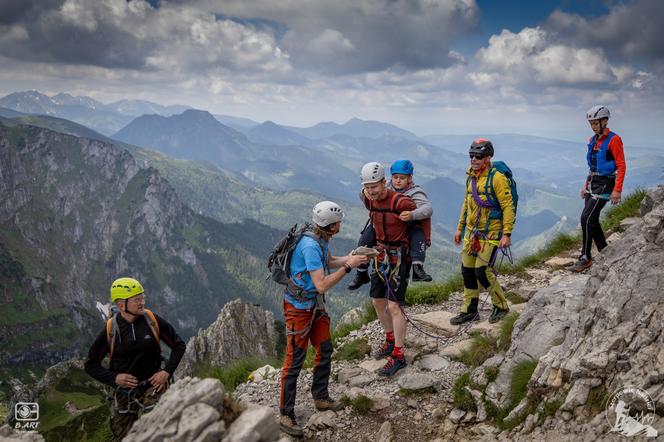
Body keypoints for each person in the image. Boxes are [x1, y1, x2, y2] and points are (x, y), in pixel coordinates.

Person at [279, 201, 368, 437]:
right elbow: (321, 285)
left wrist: (351, 258)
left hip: (312, 306)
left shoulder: (320, 237)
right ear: (330, 226)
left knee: (325, 348)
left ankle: (320, 397)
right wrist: (348, 268)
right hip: (299, 307)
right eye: (338, 223)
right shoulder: (310, 245)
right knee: (294, 360)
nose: (340, 225)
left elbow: (328, 262)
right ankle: (286, 414)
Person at [84, 277, 186, 440]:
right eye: (137, 299)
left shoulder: (151, 319)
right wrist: (115, 378)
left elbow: (178, 344)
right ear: (121, 304)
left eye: (142, 297)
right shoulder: (111, 329)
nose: (142, 302)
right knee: (124, 436)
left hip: (154, 385)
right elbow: (90, 365)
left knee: (161, 432)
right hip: (124, 392)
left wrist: (166, 372)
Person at [360, 162, 418, 377]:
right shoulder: (369, 199)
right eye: (367, 186)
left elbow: (421, 217)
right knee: (377, 301)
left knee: (394, 306)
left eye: (375, 186)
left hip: (400, 257)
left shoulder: (400, 201)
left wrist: (421, 248)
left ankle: (399, 354)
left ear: (384, 182)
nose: (371, 190)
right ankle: (390, 339)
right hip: (381, 255)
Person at [451, 139, 514, 325]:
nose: (474, 159)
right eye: (471, 155)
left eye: (478, 156)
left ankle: (501, 305)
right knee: (467, 270)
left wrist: (507, 233)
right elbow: (466, 204)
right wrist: (459, 227)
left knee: (482, 271)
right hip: (471, 233)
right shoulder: (471, 176)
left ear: (488, 157)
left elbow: (507, 206)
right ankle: (470, 309)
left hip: (492, 233)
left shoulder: (497, 178)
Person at [348, 159, 433, 289]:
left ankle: (417, 268)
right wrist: (363, 193)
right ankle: (361, 272)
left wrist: (412, 215)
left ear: (410, 178)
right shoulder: (385, 188)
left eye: (402, 178)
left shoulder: (415, 192)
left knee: (417, 235)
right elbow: (369, 197)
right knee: (365, 238)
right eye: (395, 177)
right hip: (384, 225)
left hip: (408, 224)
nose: (398, 180)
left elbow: (427, 209)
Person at [569, 105, 626, 272]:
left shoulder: (614, 140)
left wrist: (617, 190)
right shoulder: (592, 140)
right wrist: (585, 185)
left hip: (606, 183)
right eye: (591, 123)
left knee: (586, 218)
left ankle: (585, 257)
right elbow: (592, 166)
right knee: (592, 219)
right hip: (593, 182)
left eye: (595, 123)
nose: (593, 126)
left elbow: (621, 166)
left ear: (605, 121)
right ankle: (604, 250)